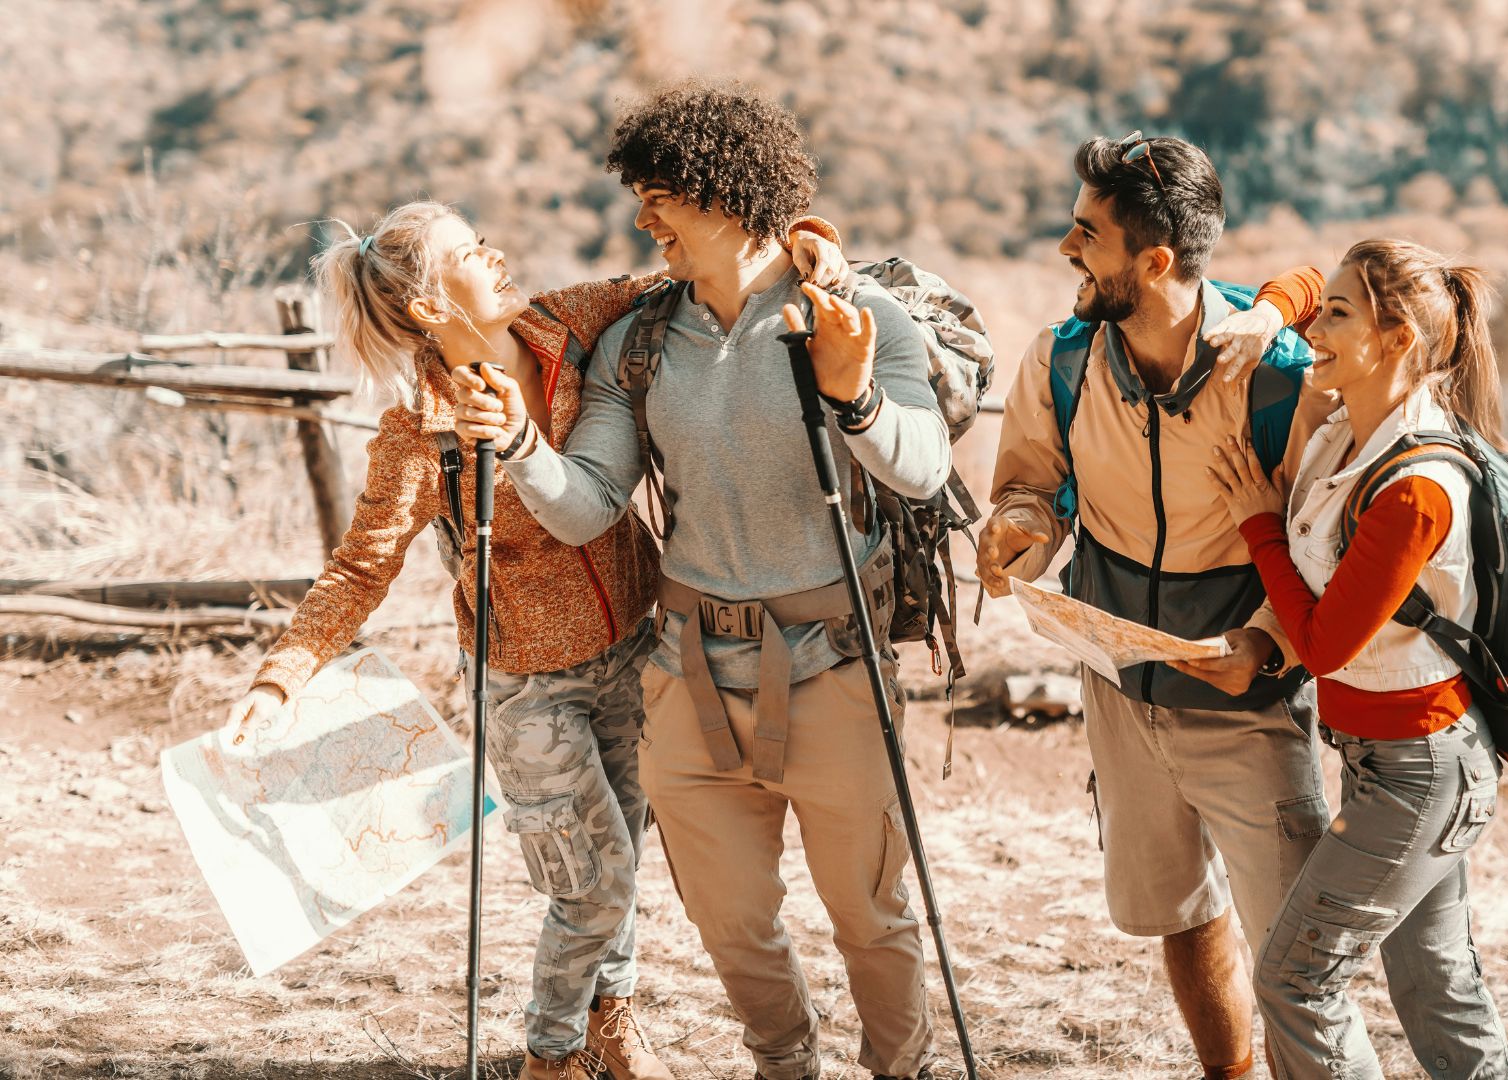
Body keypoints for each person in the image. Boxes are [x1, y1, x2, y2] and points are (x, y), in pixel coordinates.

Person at [224, 198, 851, 1080]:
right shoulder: (419, 434)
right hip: (525, 686)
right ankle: (549, 1056)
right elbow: (361, 568)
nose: (499, 255)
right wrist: (280, 676)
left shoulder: (568, 324)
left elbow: (686, 271)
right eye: (472, 253)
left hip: (634, 648)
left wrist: (798, 241)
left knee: (623, 859)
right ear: (434, 308)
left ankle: (612, 1020)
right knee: (590, 886)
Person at [450, 78, 950, 1080]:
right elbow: (588, 500)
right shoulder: (639, 346)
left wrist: (852, 401)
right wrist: (514, 438)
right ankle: (786, 1066)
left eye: (658, 200)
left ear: (722, 198)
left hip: (835, 672)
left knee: (871, 915)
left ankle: (905, 1070)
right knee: (730, 922)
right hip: (687, 677)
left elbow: (924, 464)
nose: (643, 222)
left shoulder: (850, 319)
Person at [976, 132, 1329, 1080]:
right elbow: (1032, 486)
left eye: (1085, 234)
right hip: (1121, 691)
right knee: (1179, 908)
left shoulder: (1279, 376)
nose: (1064, 249)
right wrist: (1017, 531)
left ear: (1154, 260)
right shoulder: (1059, 359)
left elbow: (1326, 551)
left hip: (1254, 702)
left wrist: (1263, 644)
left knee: (1297, 951)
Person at [1192, 239, 1508, 1079]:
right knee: (1435, 988)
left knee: (1296, 982)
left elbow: (1330, 646)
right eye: (1324, 309)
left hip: (1421, 773)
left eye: (1340, 315)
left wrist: (1260, 523)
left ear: (1396, 338)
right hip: (1393, 765)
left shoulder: (1416, 485)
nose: (1317, 328)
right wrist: (1275, 309)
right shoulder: (1347, 430)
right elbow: (1299, 284)